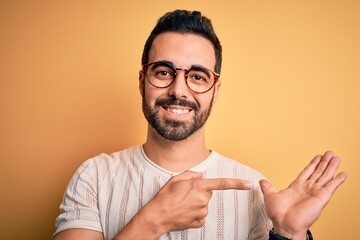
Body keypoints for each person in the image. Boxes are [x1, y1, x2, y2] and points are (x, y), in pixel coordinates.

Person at [53, 9, 347, 240]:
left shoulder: (254, 190)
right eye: (164, 71)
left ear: (215, 91)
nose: (179, 91)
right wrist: (154, 220)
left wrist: (288, 233)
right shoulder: (93, 177)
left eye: (197, 76)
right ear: (143, 82)